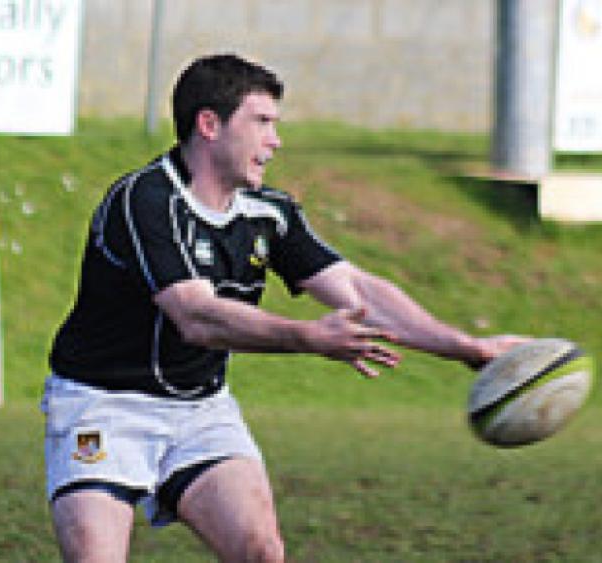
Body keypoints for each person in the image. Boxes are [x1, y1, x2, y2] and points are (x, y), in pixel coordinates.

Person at [43, 53, 526, 562]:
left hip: (199, 412)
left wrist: (467, 347)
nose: (275, 141)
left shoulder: (268, 214)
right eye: (262, 123)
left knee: (262, 551)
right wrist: (308, 337)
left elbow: (359, 291)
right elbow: (195, 315)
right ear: (209, 124)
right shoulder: (145, 199)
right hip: (102, 405)